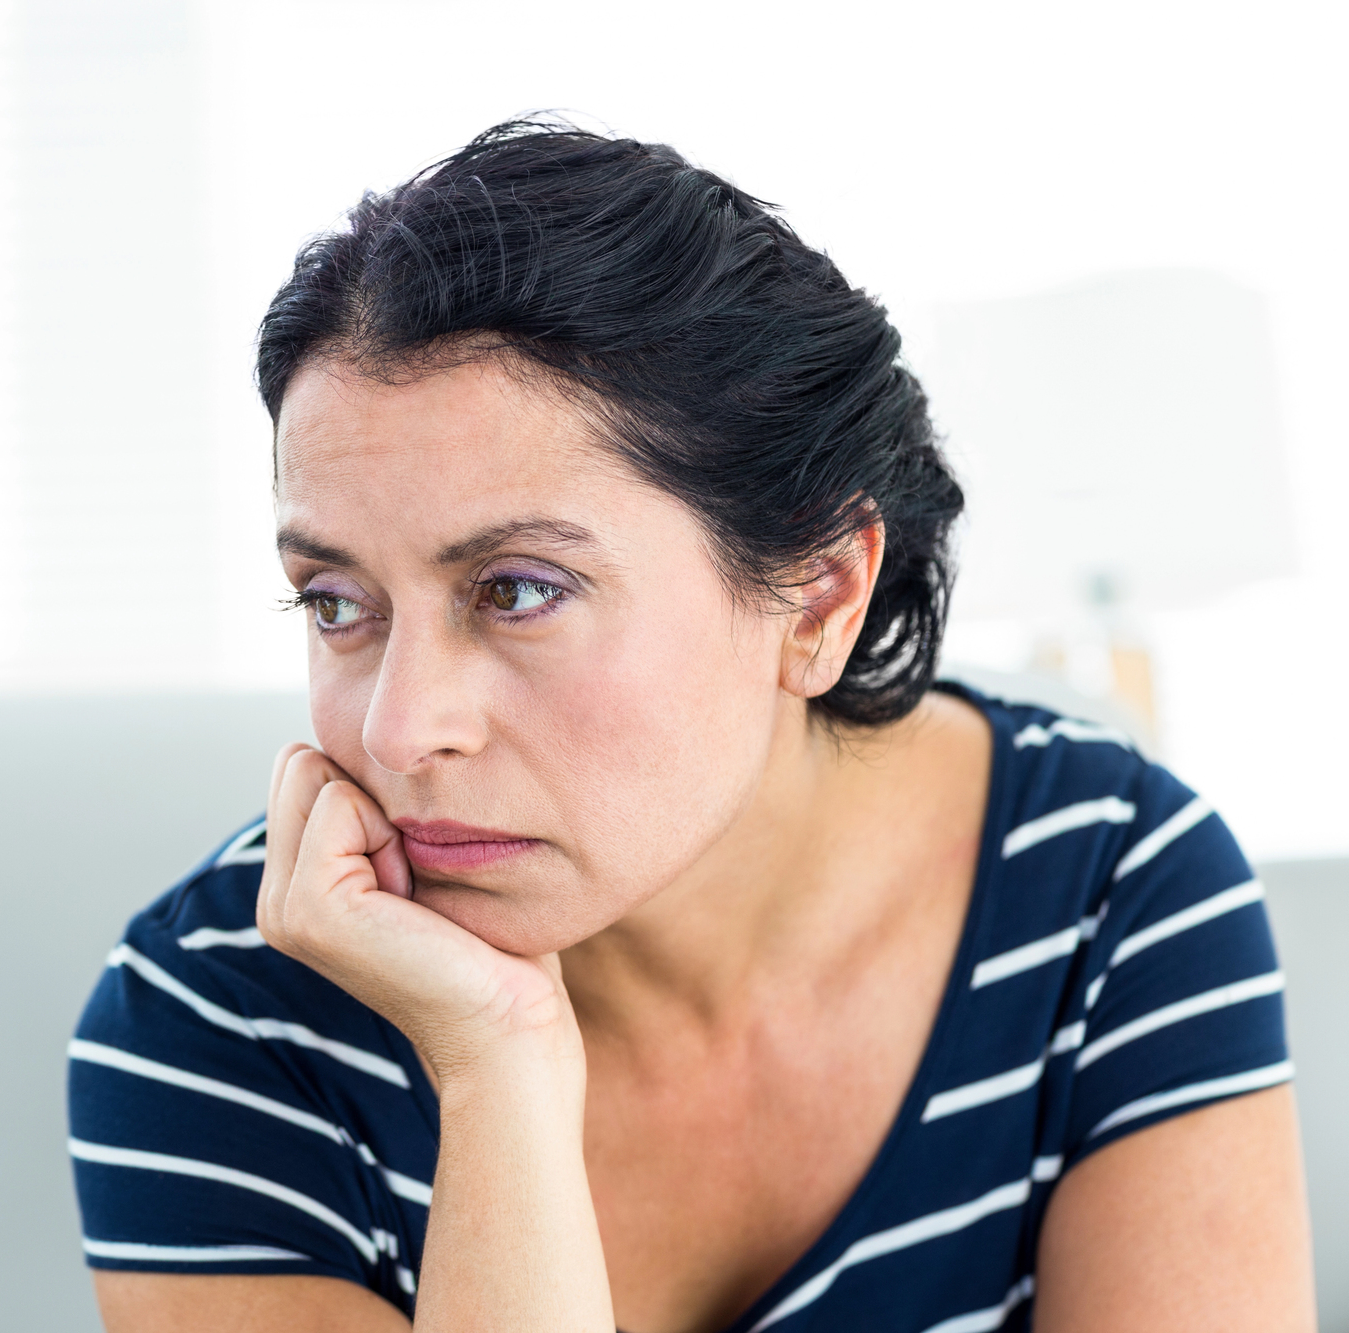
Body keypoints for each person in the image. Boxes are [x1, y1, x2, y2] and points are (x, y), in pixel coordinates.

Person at [65, 120, 1313, 1332]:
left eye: (516, 589)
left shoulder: (1109, 892)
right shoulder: (213, 1026)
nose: (399, 731)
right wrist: (497, 1067)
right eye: (336, 602)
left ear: (816, 596)